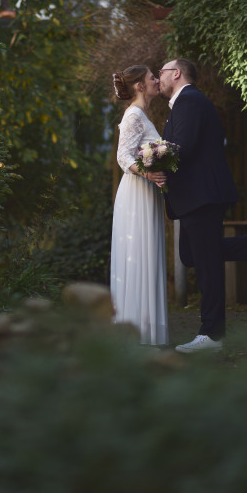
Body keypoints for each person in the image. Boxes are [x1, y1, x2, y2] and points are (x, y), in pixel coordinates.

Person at [158, 58, 247, 353]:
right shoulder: (187, 102)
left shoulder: (188, 100)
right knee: (193, 255)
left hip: (201, 194)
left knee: (207, 265)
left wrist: (151, 160)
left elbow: (182, 148)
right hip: (197, 195)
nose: (159, 77)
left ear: (176, 74)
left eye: (162, 72)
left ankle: (212, 335)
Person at [109, 65, 170, 346]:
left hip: (146, 193)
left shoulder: (141, 114)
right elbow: (123, 156)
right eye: (152, 78)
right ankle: (136, 330)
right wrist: (147, 173)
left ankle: (144, 328)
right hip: (136, 193)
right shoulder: (133, 115)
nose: (157, 80)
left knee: (148, 254)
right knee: (138, 253)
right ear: (139, 86)